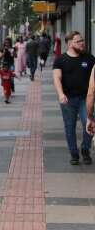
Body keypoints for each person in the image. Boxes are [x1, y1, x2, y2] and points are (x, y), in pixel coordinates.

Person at [53, 31, 95, 165]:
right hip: (68, 99)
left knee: (88, 123)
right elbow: (57, 78)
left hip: (85, 99)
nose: (82, 43)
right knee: (69, 126)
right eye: (79, 41)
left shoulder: (89, 58)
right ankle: (74, 153)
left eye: (82, 40)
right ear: (70, 43)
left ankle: (85, 149)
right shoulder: (61, 60)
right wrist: (60, 94)